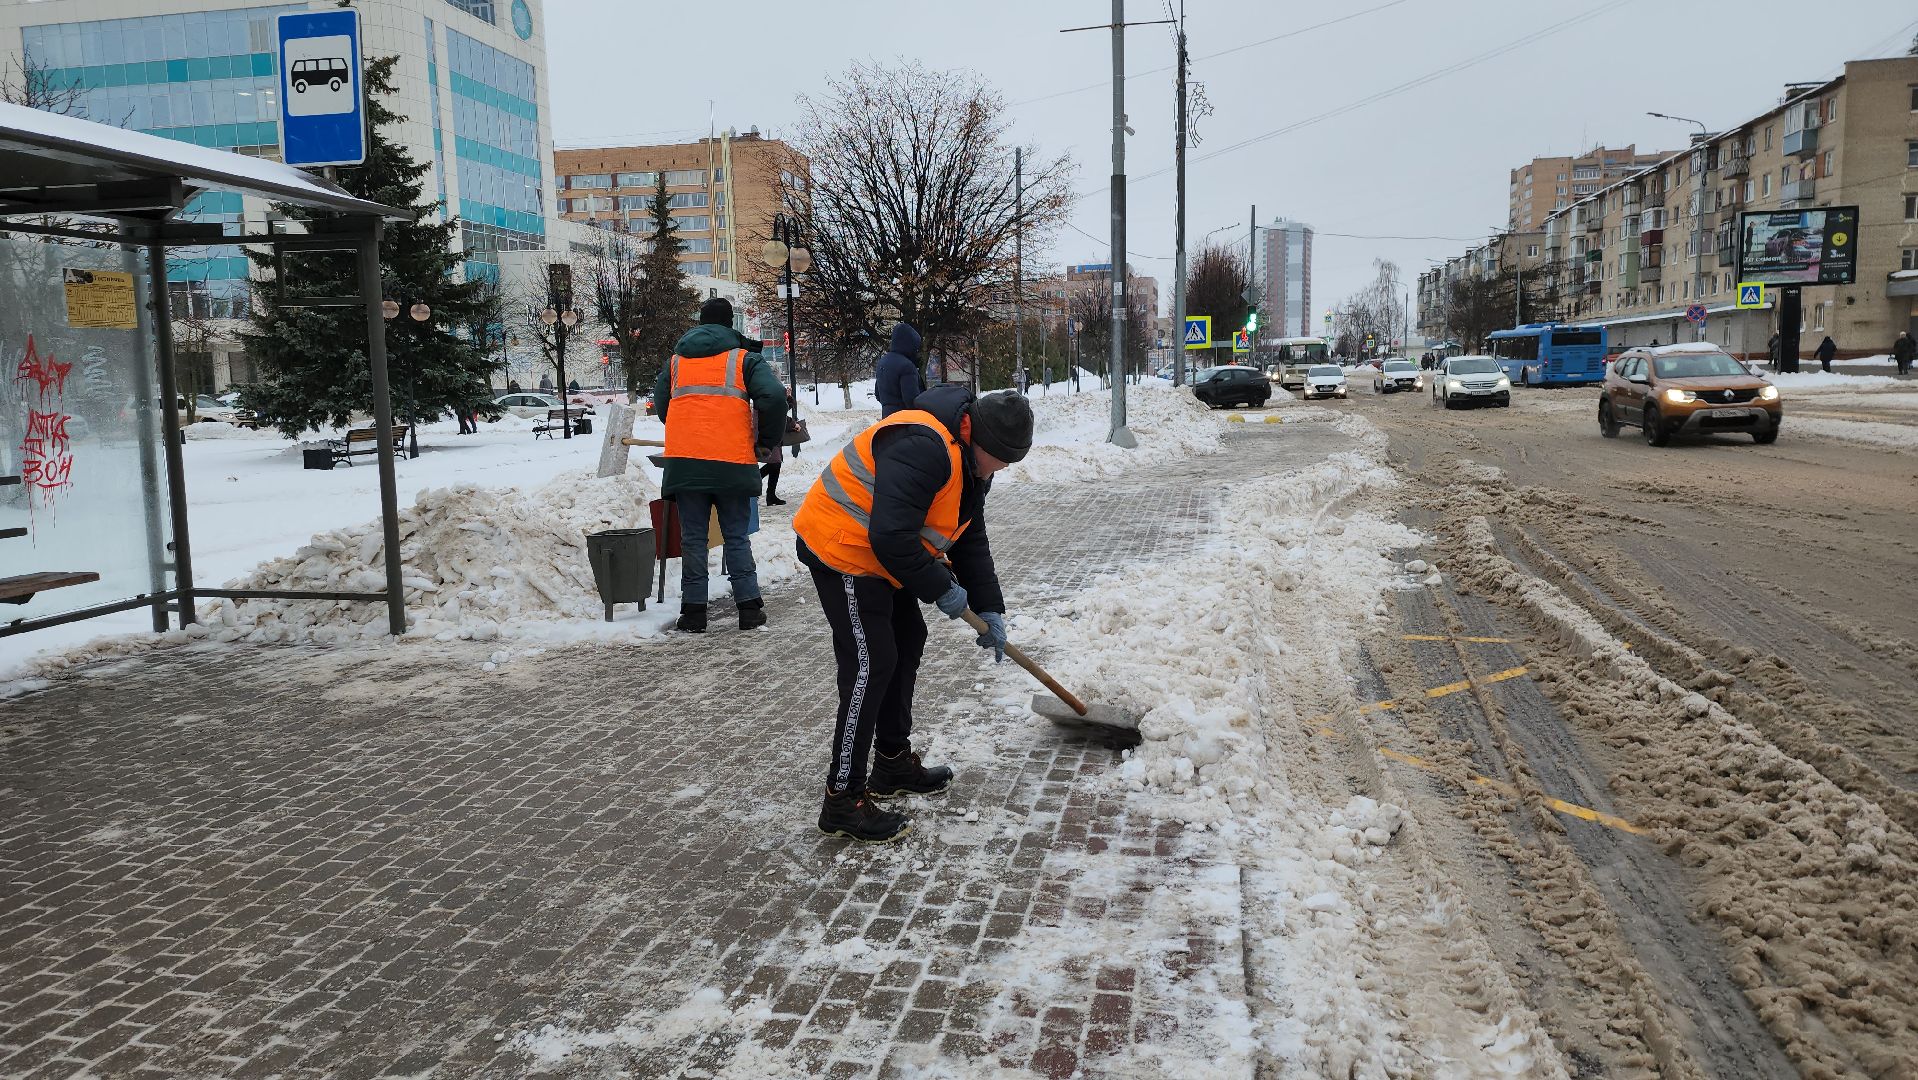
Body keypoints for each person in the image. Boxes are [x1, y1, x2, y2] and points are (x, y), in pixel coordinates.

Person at [793, 386, 1033, 843]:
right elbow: (891, 537)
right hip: (841, 545)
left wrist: (989, 607)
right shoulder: (924, 447)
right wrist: (943, 589)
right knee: (872, 661)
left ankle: (891, 762)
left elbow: (969, 538)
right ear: (976, 436)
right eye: (1001, 459)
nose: (1001, 469)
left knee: (907, 639)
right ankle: (842, 798)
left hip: (882, 555)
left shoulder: (970, 460)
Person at [652, 297, 788, 633]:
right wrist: (766, 442)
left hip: (685, 464)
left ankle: (694, 613)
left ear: (700, 323)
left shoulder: (675, 363)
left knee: (694, 540)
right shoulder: (744, 360)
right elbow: (773, 397)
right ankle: (749, 608)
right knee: (736, 537)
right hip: (731, 462)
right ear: (731, 325)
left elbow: (661, 403)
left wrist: (685, 428)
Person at [874, 323, 924, 417]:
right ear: (910, 344)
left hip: (887, 419)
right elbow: (912, 400)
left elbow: (878, 393)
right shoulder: (907, 366)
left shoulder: (882, 362)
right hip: (905, 421)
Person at [761, 386, 798, 506]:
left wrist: (788, 397)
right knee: (774, 465)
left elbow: (783, 411)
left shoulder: (771, 399)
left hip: (773, 437)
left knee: (775, 466)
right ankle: (752, 484)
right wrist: (793, 425)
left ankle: (770, 496)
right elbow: (780, 414)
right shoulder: (770, 400)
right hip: (771, 437)